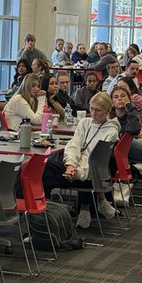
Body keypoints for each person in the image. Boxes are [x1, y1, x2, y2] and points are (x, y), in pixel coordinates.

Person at [40, 91, 118, 230]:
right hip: (76, 169)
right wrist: (70, 165)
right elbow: (74, 145)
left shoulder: (111, 132)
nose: (93, 113)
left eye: (98, 110)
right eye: (91, 108)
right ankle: (50, 213)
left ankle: (45, 214)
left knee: (44, 172)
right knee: (43, 166)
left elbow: (94, 161)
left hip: (90, 174)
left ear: (107, 111)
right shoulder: (84, 123)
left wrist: (78, 173)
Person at [109, 82, 142, 164]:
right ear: (112, 102)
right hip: (117, 153)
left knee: (122, 141)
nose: (120, 99)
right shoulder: (109, 119)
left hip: (137, 148)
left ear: (129, 99)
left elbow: (133, 131)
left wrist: (130, 107)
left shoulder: (132, 115)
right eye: (116, 97)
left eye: (123, 96)